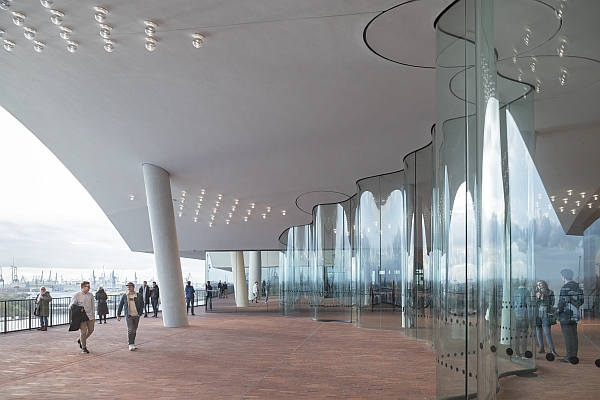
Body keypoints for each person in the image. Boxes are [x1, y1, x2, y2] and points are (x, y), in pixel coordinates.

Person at [557, 269, 584, 363]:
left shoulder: (565, 288)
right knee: (574, 335)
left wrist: (558, 313)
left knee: (568, 336)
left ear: (563, 277)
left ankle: (569, 356)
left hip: (566, 314)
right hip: (575, 314)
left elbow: (562, 302)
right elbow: (581, 301)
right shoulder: (578, 287)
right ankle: (574, 355)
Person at [117, 282, 145, 351]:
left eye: (130, 287)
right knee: (130, 329)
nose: (129, 288)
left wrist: (140, 313)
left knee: (134, 330)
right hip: (128, 315)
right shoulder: (125, 296)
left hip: (136, 315)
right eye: (128, 287)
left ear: (133, 287)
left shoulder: (139, 296)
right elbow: (121, 305)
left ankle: (133, 343)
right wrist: (118, 314)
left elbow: (142, 305)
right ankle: (130, 344)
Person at [70, 281, 95, 354]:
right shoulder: (76, 295)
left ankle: (80, 340)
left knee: (91, 330)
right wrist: (79, 308)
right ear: (83, 287)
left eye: (89, 287)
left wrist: (93, 314)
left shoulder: (90, 295)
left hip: (90, 315)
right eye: (88, 286)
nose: (89, 288)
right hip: (81, 316)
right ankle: (84, 347)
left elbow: (92, 305)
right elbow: (71, 306)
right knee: (83, 331)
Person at [534, 280, 558, 356]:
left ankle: (552, 349)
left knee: (547, 332)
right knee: (538, 331)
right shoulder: (535, 293)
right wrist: (537, 298)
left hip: (546, 313)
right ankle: (541, 347)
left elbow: (552, 303)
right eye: (537, 284)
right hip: (538, 314)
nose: (539, 286)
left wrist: (543, 297)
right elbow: (534, 303)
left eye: (540, 284)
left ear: (544, 284)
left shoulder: (550, 292)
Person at [512, 280, 530, 358]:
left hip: (517, 315)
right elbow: (528, 304)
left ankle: (517, 352)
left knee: (517, 335)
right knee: (524, 336)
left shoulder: (515, 292)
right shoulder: (526, 291)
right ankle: (524, 353)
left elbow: (512, 304)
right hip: (524, 316)